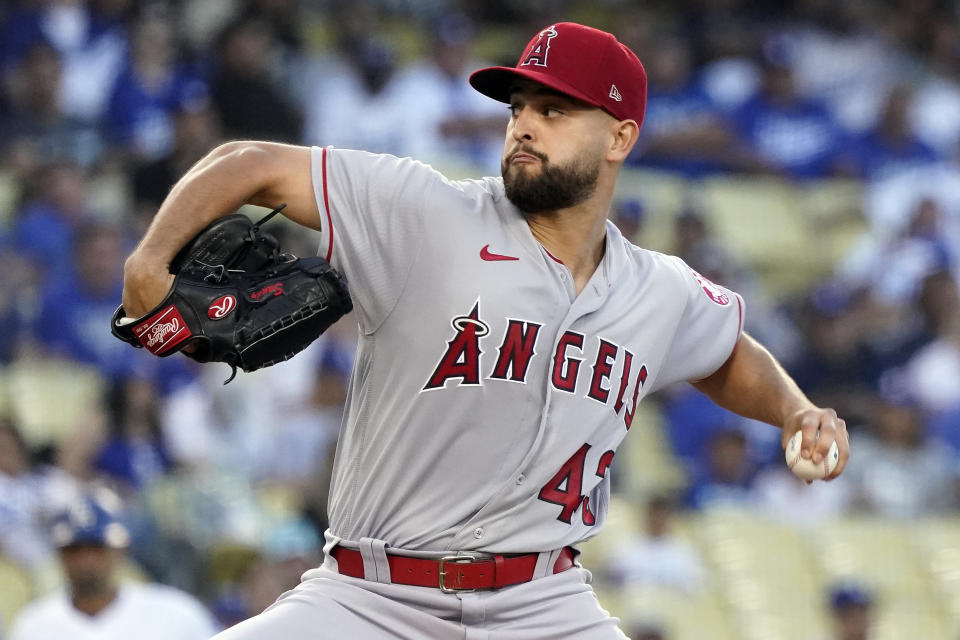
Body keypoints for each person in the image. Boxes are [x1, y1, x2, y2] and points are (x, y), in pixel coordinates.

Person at [120, 22, 850, 639]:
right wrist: (150, 261)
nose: (526, 123)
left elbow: (726, 354)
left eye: (557, 110)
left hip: (544, 605)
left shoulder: (658, 290)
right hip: (371, 598)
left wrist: (795, 412)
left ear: (620, 136)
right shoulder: (425, 211)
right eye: (519, 106)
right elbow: (247, 164)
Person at [8, 491, 218, 640]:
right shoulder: (31, 626)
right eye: (74, 549)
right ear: (59, 555)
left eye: (96, 548)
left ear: (120, 550)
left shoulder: (177, 613)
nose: (86, 560)